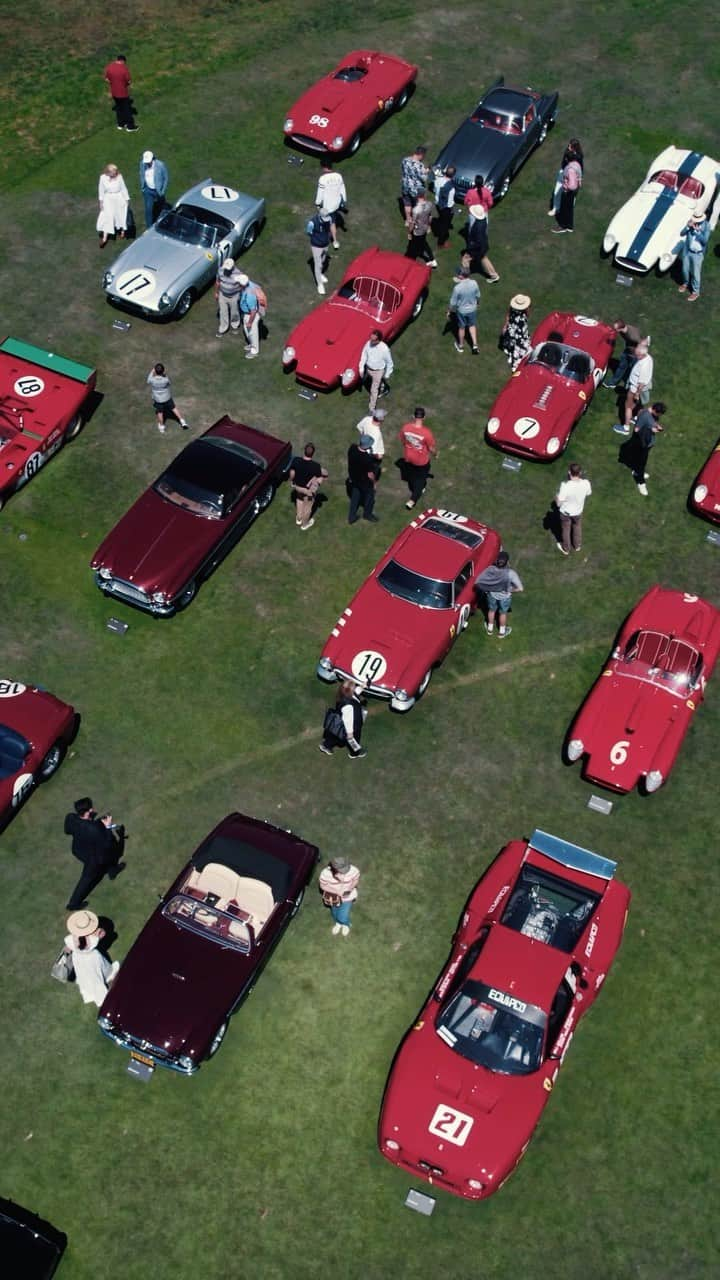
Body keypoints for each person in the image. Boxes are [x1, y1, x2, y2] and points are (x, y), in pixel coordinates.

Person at [64, 798, 124, 911]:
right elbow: (108, 843)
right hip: (93, 858)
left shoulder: (70, 817)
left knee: (109, 856)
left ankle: (112, 871)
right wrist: (108, 827)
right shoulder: (94, 829)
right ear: (89, 810)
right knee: (87, 878)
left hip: (78, 850)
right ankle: (73, 904)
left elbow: (67, 830)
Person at [64, 910, 120, 1006]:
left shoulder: (74, 941)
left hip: (81, 961)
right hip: (96, 969)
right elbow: (97, 983)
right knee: (97, 979)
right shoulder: (94, 956)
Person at [474, 550, 523, 638]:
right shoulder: (511, 573)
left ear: (497, 561)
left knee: (491, 611)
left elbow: (478, 582)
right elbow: (520, 589)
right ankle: (501, 633)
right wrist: (509, 589)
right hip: (505, 598)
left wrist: (487, 588)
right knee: (503, 613)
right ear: (507, 562)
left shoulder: (490, 569)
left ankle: (490, 629)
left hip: (491, 595)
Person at [399, 406, 437, 509]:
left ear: (413, 416)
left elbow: (402, 440)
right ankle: (412, 500)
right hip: (421, 461)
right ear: (424, 417)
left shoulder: (405, 427)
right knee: (421, 480)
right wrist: (436, 454)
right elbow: (431, 448)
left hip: (408, 457)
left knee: (411, 475)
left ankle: (413, 488)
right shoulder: (426, 433)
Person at [319, 682, 368, 760]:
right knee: (353, 741)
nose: (355, 686)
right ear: (350, 691)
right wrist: (350, 734)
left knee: (336, 735)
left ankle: (326, 746)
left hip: (339, 723)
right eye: (354, 687)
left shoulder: (343, 695)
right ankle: (355, 753)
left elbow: (355, 692)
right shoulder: (348, 706)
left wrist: (362, 687)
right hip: (352, 727)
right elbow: (348, 720)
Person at [614, 341, 654, 434]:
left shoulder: (643, 366)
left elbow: (641, 383)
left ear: (642, 354)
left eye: (637, 355)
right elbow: (642, 344)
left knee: (628, 407)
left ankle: (626, 428)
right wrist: (646, 341)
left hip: (635, 388)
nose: (636, 356)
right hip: (640, 388)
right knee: (638, 403)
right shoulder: (648, 357)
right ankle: (636, 417)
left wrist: (636, 393)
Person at [318, 854, 361, 935]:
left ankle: (345, 924)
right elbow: (322, 886)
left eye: (346, 871)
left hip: (347, 897)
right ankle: (338, 923)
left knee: (342, 916)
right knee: (334, 913)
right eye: (341, 873)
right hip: (333, 897)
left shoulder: (354, 870)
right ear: (333, 871)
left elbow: (355, 880)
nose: (344, 875)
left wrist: (350, 889)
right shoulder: (325, 873)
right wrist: (337, 892)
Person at [555, 462, 592, 554]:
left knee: (566, 529)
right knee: (577, 527)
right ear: (580, 473)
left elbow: (559, 504)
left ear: (569, 472)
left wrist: (556, 497)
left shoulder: (565, 486)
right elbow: (588, 493)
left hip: (566, 513)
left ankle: (566, 549)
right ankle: (577, 545)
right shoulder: (586, 483)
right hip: (578, 511)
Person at [289, 442, 327, 531]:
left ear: (304, 451)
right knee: (308, 508)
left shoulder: (296, 460)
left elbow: (292, 473)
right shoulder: (316, 466)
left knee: (299, 499)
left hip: (297, 487)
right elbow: (319, 480)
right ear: (313, 453)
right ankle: (304, 524)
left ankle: (298, 518)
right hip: (308, 491)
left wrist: (292, 481)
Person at [631, 402, 666, 496]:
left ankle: (637, 471)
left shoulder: (649, 414)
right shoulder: (645, 415)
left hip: (647, 443)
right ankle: (641, 482)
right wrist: (650, 429)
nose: (659, 416)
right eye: (659, 414)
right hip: (643, 444)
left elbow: (650, 422)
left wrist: (655, 426)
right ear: (655, 410)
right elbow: (636, 429)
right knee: (642, 462)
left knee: (641, 461)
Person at [678, 211, 711, 302]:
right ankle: (685, 283)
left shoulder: (707, 226)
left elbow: (704, 241)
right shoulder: (691, 222)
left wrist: (697, 232)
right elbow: (682, 233)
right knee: (685, 269)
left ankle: (696, 292)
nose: (696, 221)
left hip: (698, 254)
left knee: (696, 273)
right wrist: (688, 226)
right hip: (688, 251)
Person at [603, 319, 646, 389]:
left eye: (616, 328)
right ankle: (612, 383)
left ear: (621, 328)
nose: (614, 329)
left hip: (634, 355)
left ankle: (629, 387)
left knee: (632, 372)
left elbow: (642, 343)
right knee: (621, 367)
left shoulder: (633, 336)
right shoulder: (624, 330)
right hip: (627, 351)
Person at [146, 363, 188, 433]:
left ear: (155, 371)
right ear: (163, 371)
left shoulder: (152, 380)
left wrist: (152, 371)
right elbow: (169, 383)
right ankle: (183, 422)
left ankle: (162, 427)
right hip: (167, 398)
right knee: (174, 408)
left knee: (160, 412)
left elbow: (148, 380)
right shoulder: (165, 379)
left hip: (158, 400)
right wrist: (164, 375)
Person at [347, 434, 379, 523]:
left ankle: (351, 517)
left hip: (353, 478)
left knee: (355, 496)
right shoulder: (366, 459)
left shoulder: (352, 448)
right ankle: (367, 514)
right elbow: (370, 474)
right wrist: (374, 483)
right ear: (367, 446)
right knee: (370, 496)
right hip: (364, 482)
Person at [358, 330, 393, 412]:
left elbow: (390, 363)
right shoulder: (368, 343)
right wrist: (361, 368)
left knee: (374, 390)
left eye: (373, 340)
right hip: (368, 369)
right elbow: (364, 355)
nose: (371, 341)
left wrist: (387, 374)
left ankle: (372, 408)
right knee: (367, 382)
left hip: (378, 371)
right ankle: (383, 386)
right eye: (371, 338)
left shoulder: (384, 349)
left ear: (379, 340)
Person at [315, 160, 346, 249]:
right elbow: (342, 189)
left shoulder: (322, 179)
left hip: (327, 206)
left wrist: (317, 203)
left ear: (324, 167)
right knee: (332, 222)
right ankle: (335, 241)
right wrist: (344, 200)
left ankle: (328, 239)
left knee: (327, 222)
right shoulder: (338, 176)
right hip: (336, 204)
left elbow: (320, 193)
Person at [448, 268, 481, 353]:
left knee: (462, 328)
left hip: (462, 311)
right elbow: (478, 296)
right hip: (472, 309)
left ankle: (461, 346)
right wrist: (477, 304)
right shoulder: (474, 283)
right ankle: (475, 345)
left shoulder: (457, 288)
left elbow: (453, 303)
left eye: (459, 274)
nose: (457, 275)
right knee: (472, 326)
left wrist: (449, 311)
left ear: (461, 276)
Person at [103, 54, 138, 132]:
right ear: (122, 61)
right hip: (122, 93)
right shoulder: (124, 69)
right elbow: (129, 81)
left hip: (114, 93)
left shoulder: (109, 66)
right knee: (127, 110)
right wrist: (125, 84)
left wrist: (113, 83)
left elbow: (106, 79)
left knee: (119, 109)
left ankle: (120, 124)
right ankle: (130, 126)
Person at [96, 164, 129, 248]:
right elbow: (101, 190)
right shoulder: (103, 178)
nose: (115, 173)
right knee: (108, 217)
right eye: (113, 172)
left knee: (120, 215)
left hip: (118, 198)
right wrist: (101, 202)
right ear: (108, 172)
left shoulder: (119, 177)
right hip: (108, 199)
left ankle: (122, 231)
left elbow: (123, 188)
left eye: (116, 172)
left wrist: (126, 199)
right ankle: (104, 238)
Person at [548, 139, 583, 216]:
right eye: (569, 144)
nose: (568, 146)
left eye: (571, 146)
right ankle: (555, 209)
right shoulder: (567, 151)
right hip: (564, 173)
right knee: (557, 191)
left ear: (575, 147)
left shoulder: (579, 156)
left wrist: (579, 178)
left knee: (572, 194)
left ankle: (569, 209)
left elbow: (580, 168)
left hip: (574, 176)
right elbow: (563, 163)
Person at [466, 205, 499, 281]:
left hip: (477, 247)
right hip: (483, 245)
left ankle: (465, 276)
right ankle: (494, 275)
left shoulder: (478, 226)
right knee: (483, 258)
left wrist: (471, 247)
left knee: (466, 259)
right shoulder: (483, 220)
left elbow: (477, 240)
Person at [499, 294, 532, 370]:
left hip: (512, 330)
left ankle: (514, 355)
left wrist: (505, 325)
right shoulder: (523, 314)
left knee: (514, 342)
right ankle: (516, 363)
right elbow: (528, 315)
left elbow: (508, 315)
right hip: (519, 333)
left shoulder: (512, 309)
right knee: (520, 345)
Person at [406, 189, 438, 267]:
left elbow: (413, 223)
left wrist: (409, 232)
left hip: (417, 231)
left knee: (414, 246)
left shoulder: (416, 210)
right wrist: (429, 226)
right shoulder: (429, 204)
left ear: (418, 196)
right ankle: (432, 259)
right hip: (425, 228)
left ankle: (409, 263)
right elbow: (430, 216)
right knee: (423, 243)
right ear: (424, 195)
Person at [553, 150, 583, 232]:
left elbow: (572, 185)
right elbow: (579, 176)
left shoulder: (570, 169)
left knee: (564, 209)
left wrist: (566, 189)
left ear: (567, 159)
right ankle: (570, 226)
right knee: (569, 208)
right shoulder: (576, 164)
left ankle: (563, 226)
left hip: (568, 191)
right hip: (574, 190)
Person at [214, 258, 245, 336]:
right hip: (222, 295)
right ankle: (223, 328)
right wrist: (216, 292)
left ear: (233, 267)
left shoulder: (238, 274)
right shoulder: (220, 270)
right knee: (223, 312)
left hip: (234, 296)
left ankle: (235, 325)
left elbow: (242, 285)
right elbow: (218, 282)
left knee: (234, 312)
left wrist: (240, 295)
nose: (226, 270)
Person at [400, 145, 429, 227]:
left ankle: (407, 220)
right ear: (421, 154)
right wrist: (426, 172)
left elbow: (404, 170)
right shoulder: (419, 166)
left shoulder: (405, 160)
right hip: (416, 190)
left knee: (407, 205)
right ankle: (415, 222)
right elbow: (424, 179)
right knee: (418, 206)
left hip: (405, 187)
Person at [138, 150, 169, 227]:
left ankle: (162, 224)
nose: (147, 163)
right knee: (148, 210)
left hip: (158, 191)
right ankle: (149, 228)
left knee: (161, 209)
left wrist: (162, 191)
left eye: (149, 161)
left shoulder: (160, 165)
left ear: (153, 159)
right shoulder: (142, 164)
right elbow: (141, 174)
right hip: (148, 191)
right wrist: (143, 187)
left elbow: (166, 178)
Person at [307, 211, 332, 295]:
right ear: (320, 216)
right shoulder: (312, 222)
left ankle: (320, 274)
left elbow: (329, 229)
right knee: (318, 265)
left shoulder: (329, 219)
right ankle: (320, 285)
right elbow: (309, 232)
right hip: (316, 246)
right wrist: (317, 239)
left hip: (325, 244)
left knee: (323, 260)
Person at [238, 274, 261, 357]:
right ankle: (251, 344)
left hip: (251, 316)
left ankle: (254, 351)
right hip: (247, 314)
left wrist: (250, 322)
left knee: (252, 333)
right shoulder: (250, 283)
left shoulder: (250, 296)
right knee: (247, 331)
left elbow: (253, 311)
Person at [433, 164, 456, 248]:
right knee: (445, 225)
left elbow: (435, 190)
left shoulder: (437, 180)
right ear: (453, 175)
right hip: (446, 208)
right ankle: (441, 243)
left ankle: (439, 229)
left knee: (441, 219)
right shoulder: (451, 188)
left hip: (437, 204)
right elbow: (450, 203)